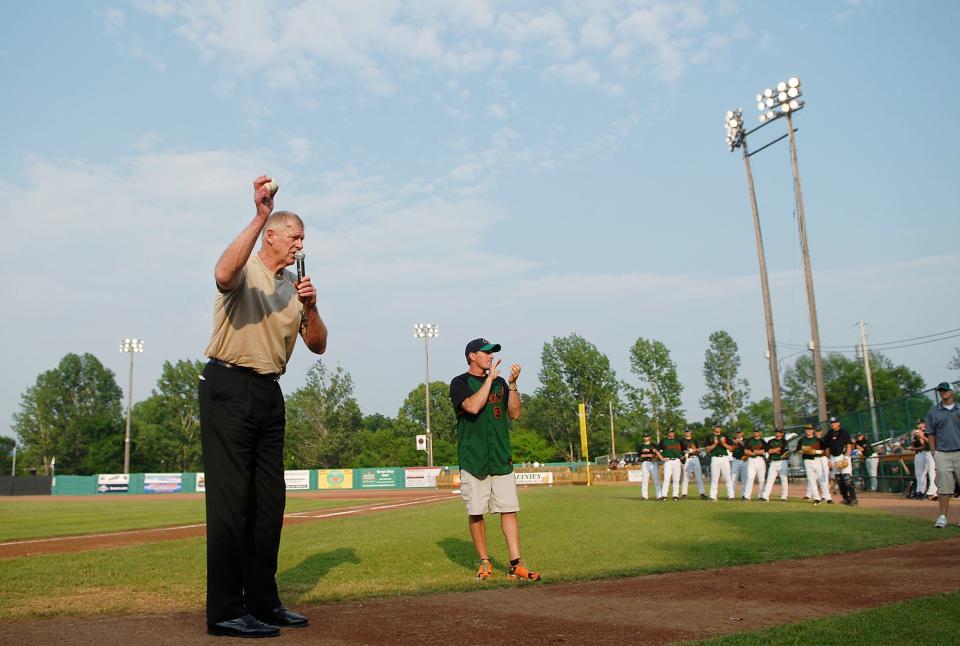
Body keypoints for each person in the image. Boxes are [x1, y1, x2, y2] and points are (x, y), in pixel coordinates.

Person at [199, 177, 328, 638]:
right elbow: (221, 274)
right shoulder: (246, 269)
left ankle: (263, 602)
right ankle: (226, 611)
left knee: (269, 506)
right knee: (231, 506)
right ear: (272, 235)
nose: (299, 245)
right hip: (228, 385)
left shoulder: (295, 288)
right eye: (295, 236)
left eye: (302, 240)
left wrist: (311, 307)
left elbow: (318, 346)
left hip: (270, 393)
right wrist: (258, 214)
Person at [449, 338, 540, 580]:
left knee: (509, 510)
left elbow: (516, 413)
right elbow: (472, 407)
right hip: (474, 459)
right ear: (472, 356)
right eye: (486, 352)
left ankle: (515, 563)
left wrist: (511, 384)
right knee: (476, 511)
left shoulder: (500, 383)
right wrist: (489, 380)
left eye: (492, 353)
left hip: (500, 456)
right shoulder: (459, 383)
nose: (491, 356)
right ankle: (484, 562)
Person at [926, 382, 960, 528]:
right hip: (943, 453)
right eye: (941, 391)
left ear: (952, 392)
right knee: (944, 488)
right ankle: (942, 517)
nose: (943, 393)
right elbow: (931, 434)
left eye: (945, 390)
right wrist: (934, 452)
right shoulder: (933, 412)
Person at [824, 416, 858, 506]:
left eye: (835, 422)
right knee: (839, 480)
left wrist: (846, 457)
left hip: (843, 456)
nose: (833, 424)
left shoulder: (844, 432)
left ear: (838, 423)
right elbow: (827, 448)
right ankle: (846, 499)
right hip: (833, 458)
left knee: (847, 479)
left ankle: (853, 499)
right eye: (831, 423)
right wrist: (828, 460)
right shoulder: (829, 434)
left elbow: (848, 446)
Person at [797, 425, 827, 505]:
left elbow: (824, 450)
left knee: (821, 478)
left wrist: (815, 451)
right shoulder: (802, 440)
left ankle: (827, 497)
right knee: (811, 480)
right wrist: (803, 451)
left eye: (809, 429)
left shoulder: (818, 440)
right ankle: (817, 498)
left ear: (813, 430)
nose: (808, 431)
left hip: (817, 460)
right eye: (806, 429)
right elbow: (798, 450)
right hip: (807, 461)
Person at [706, 424, 735, 501]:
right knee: (714, 478)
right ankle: (713, 496)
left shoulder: (725, 436)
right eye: (717, 427)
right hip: (715, 457)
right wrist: (715, 444)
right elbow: (707, 449)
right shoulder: (710, 437)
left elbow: (731, 448)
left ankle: (731, 496)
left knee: (727, 477)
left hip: (724, 458)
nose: (718, 429)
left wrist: (723, 443)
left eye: (719, 427)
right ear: (714, 428)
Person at [760, 428, 790, 501]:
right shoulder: (771, 441)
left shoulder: (784, 441)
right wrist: (777, 449)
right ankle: (765, 496)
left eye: (779, 432)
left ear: (782, 433)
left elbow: (784, 452)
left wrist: (773, 450)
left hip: (782, 462)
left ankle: (784, 497)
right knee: (770, 479)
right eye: (776, 432)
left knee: (784, 480)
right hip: (773, 462)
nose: (777, 433)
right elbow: (769, 451)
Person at [913, 420, 938, 500]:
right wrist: (919, 436)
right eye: (917, 424)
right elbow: (924, 443)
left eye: (920, 423)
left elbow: (932, 442)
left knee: (931, 473)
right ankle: (927, 492)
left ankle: (932, 492)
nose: (918, 425)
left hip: (933, 451)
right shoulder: (923, 431)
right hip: (927, 452)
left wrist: (921, 435)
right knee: (926, 473)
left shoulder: (930, 430)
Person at [741, 428, 767, 501]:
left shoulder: (763, 441)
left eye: (757, 431)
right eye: (754, 431)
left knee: (761, 479)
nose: (755, 433)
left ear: (760, 433)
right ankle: (747, 496)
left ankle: (761, 496)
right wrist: (754, 452)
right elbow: (746, 451)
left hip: (760, 460)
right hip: (751, 460)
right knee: (750, 478)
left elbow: (763, 451)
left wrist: (752, 451)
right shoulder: (749, 440)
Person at [658, 429, 684, 500]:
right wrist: (661, 458)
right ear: (668, 433)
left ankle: (675, 495)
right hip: (668, 461)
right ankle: (664, 495)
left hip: (677, 460)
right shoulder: (664, 441)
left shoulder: (678, 440)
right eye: (670, 432)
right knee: (666, 478)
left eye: (673, 432)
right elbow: (656, 450)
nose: (672, 433)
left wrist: (683, 456)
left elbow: (684, 449)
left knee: (676, 479)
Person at [681, 429, 707, 499]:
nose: (687, 433)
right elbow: (680, 451)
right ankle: (684, 494)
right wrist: (685, 452)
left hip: (695, 458)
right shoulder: (682, 441)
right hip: (687, 458)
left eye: (688, 431)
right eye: (686, 432)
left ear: (691, 432)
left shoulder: (695, 440)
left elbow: (700, 449)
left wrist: (693, 450)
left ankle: (702, 493)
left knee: (698, 477)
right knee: (686, 477)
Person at [637, 432, 664, 500]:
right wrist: (648, 455)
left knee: (656, 479)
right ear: (643, 438)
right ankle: (645, 496)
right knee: (645, 480)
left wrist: (654, 456)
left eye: (647, 436)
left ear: (649, 437)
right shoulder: (641, 446)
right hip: (645, 462)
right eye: (644, 437)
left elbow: (657, 453)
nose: (646, 438)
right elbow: (640, 455)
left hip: (653, 463)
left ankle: (659, 495)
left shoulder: (654, 445)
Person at [814, 428, 833, 503]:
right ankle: (816, 496)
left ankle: (825, 496)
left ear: (821, 432)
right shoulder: (813, 439)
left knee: (825, 477)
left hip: (823, 458)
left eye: (819, 431)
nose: (817, 432)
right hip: (815, 459)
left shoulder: (824, 439)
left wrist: (828, 460)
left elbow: (827, 449)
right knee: (815, 478)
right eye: (816, 431)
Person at [729, 429, 748, 498]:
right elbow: (730, 450)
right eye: (737, 433)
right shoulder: (732, 441)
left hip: (744, 460)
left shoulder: (746, 440)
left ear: (742, 433)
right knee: (733, 478)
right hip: (735, 460)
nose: (738, 434)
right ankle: (732, 495)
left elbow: (747, 448)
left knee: (744, 478)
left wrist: (740, 442)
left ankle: (744, 494)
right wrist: (735, 443)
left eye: (739, 433)